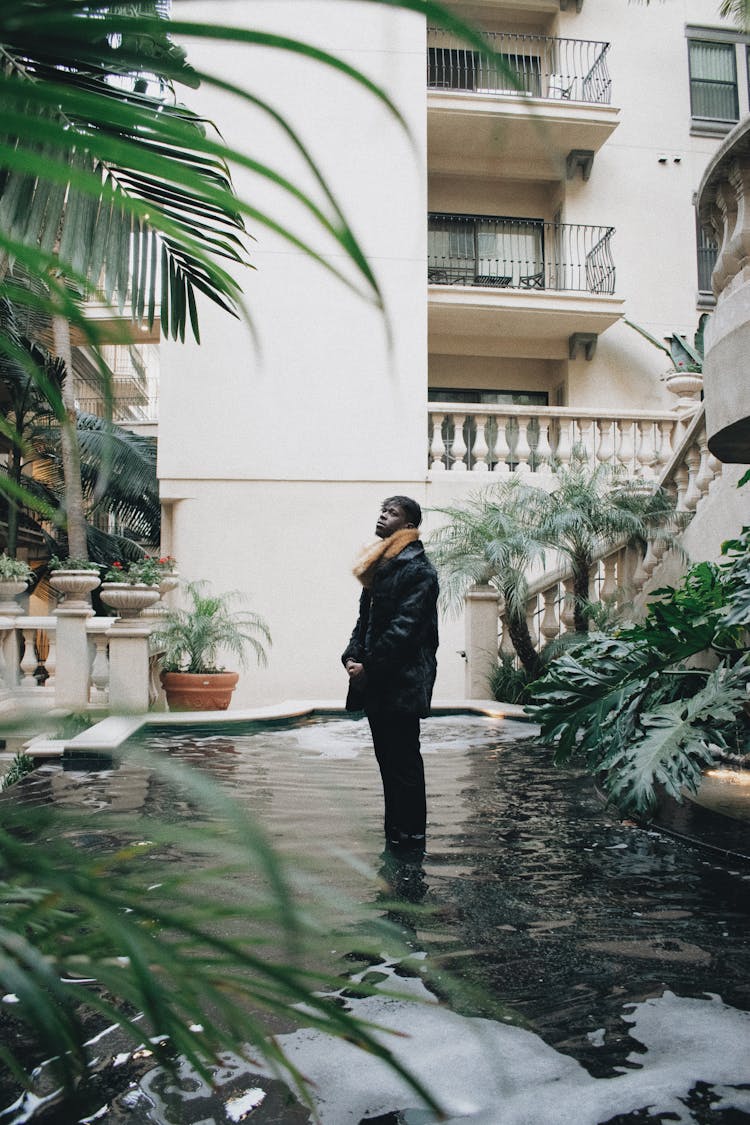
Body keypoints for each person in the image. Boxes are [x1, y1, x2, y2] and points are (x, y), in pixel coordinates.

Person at [342, 495, 439, 855]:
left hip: (402, 682)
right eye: (382, 510)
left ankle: (412, 840)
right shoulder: (379, 566)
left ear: (409, 525)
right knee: (388, 763)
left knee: (404, 765)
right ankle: (394, 835)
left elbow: (405, 631)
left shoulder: (420, 572)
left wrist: (370, 666)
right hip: (376, 681)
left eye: (392, 512)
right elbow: (364, 623)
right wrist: (352, 657)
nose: (382, 516)